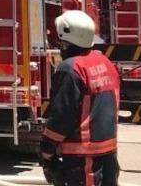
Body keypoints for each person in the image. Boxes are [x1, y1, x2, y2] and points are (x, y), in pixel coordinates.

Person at [40, 10, 120, 186]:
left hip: (83, 155)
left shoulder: (70, 68)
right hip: (108, 151)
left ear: (66, 41)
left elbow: (63, 114)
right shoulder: (104, 62)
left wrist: (47, 148)